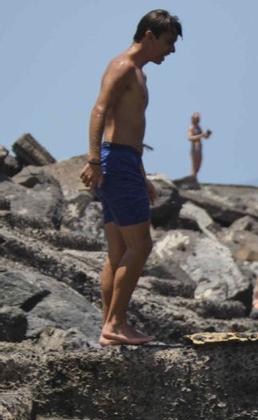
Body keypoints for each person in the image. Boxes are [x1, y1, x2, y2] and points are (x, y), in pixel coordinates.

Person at [78, 10, 182, 346]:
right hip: (115, 161)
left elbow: (126, 128)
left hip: (124, 162)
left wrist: (141, 174)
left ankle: (109, 327)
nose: (171, 51)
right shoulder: (124, 67)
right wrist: (94, 160)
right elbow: (99, 111)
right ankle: (116, 323)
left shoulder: (138, 73)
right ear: (149, 36)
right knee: (142, 245)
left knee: (119, 250)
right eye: (168, 42)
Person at [187, 111, 211, 180]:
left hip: (199, 149)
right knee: (194, 166)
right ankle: (192, 179)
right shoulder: (191, 127)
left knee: (198, 166)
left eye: (199, 119)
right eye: (196, 119)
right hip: (194, 148)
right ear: (193, 119)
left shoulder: (199, 127)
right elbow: (189, 137)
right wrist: (201, 135)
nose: (198, 120)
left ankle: (194, 178)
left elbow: (204, 137)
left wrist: (207, 135)